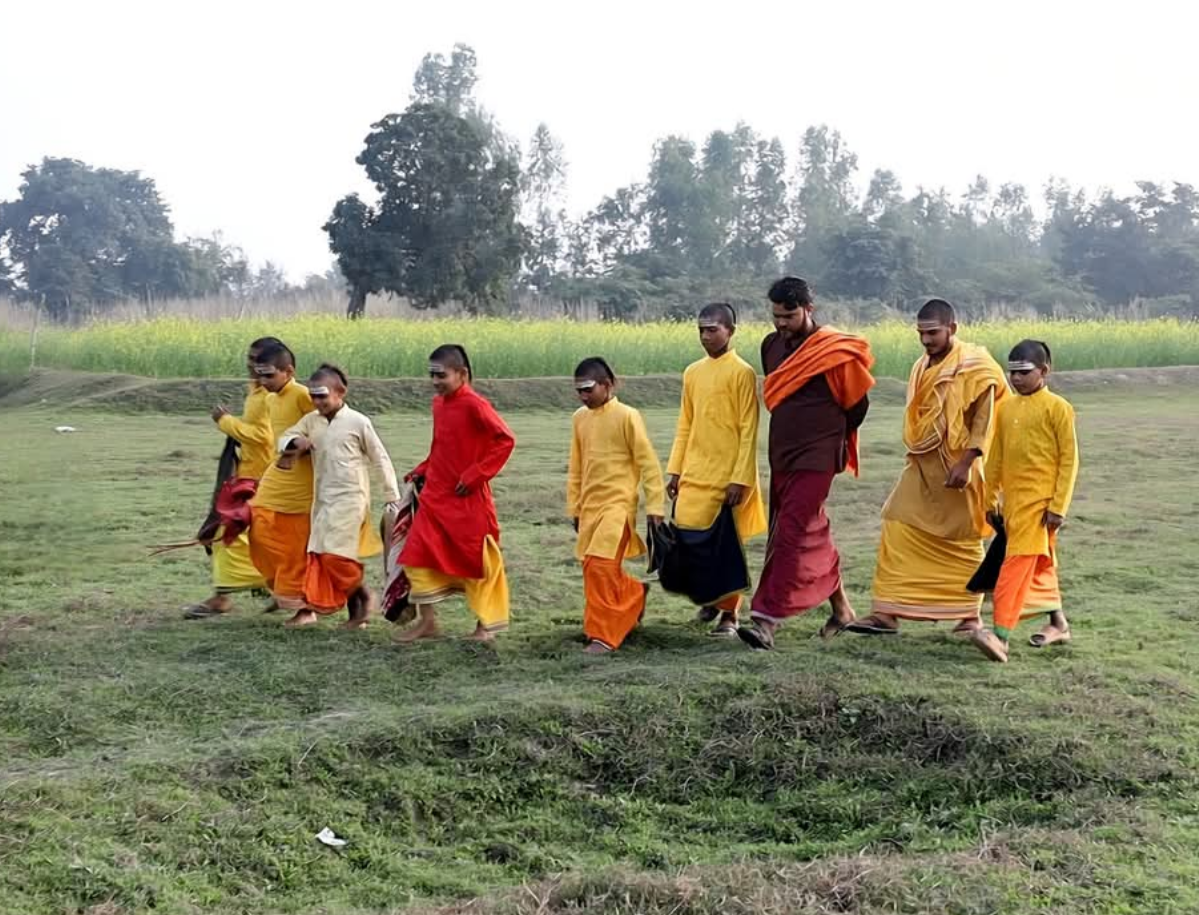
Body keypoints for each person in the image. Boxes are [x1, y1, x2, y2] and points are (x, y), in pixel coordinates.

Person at [850, 299, 1008, 636]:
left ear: (952, 328)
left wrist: (966, 462)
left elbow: (985, 420)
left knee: (962, 537)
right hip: (922, 465)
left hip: (959, 468)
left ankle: (969, 616)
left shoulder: (976, 366)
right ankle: (887, 612)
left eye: (933, 332)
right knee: (896, 521)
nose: (926, 340)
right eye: (920, 333)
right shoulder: (920, 365)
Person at [738, 277, 875, 651]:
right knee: (803, 528)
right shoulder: (770, 346)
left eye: (789, 315)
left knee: (791, 534)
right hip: (782, 451)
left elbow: (857, 406)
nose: (781, 323)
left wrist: (827, 434)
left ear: (808, 310)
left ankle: (766, 620)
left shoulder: (835, 351)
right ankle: (842, 610)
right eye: (776, 316)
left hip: (818, 455)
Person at [395, 345, 516, 643]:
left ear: (462, 374)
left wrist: (476, 474)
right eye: (431, 375)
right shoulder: (439, 404)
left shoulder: (475, 404)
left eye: (441, 375)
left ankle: (485, 627)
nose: (435, 381)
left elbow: (505, 440)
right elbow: (441, 445)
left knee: (477, 561)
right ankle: (428, 622)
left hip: (467, 498)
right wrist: (424, 468)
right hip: (436, 495)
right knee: (416, 555)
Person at [972, 340, 1079, 662]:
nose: (1015, 378)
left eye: (1023, 372)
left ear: (1044, 371)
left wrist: (1058, 507)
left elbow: (1069, 460)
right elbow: (997, 458)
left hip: (1041, 506)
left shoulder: (1058, 408)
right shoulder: (1005, 409)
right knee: (1039, 566)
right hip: (1012, 506)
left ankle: (1000, 636)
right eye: (1012, 372)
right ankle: (1058, 624)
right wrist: (989, 499)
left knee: (1014, 569)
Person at [665, 303, 767, 637]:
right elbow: (685, 424)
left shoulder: (742, 372)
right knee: (690, 539)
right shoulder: (692, 372)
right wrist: (676, 470)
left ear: (730, 331)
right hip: (695, 471)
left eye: (713, 329)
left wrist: (740, 479)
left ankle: (730, 616)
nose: (706, 336)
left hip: (728, 477)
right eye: (701, 330)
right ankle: (709, 599)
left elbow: (748, 429)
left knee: (724, 546)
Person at [274, 365, 401, 629]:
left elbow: (380, 457)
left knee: (336, 557)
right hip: (322, 500)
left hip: (351, 498)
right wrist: (296, 443)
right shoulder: (311, 420)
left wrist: (392, 495)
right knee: (322, 555)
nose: (317, 401)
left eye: (323, 395)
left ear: (340, 392)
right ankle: (357, 616)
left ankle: (365, 597)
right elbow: (285, 437)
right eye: (313, 396)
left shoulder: (358, 421)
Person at [568, 358, 667, 654]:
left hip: (617, 507)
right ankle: (634, 593)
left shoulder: (627, 416)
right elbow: (576, 466)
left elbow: (648, 463)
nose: (583, 397)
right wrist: (574, 508)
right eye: (579, 391)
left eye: (588, 390)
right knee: (593, 568)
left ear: (608, 385)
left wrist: (655, 507)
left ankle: (603, 636)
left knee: (600, 566)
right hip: (590, 508)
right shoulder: (579, 418)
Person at [183, 336, 280, 619]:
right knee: (245, 535)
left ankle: (222, 598)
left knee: (226, 532)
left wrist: (225, 422)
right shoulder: (257, 391)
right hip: (249, 473)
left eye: (258, 360)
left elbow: (263, 436)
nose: (251, 365)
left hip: (262, 477)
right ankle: (273, 587)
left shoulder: (268, 397)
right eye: (249, 359)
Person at [247, 342, 315, 617]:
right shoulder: (270, 398)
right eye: (259, 375)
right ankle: (281, 591)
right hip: (278, 476)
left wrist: (303, 445)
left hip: (303, 481)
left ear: (289, 371)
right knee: (258, 530)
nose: (264, 381)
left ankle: (305, 608)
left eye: (269, 375)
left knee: (294, 546)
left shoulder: (302, 394)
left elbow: (325, 426)